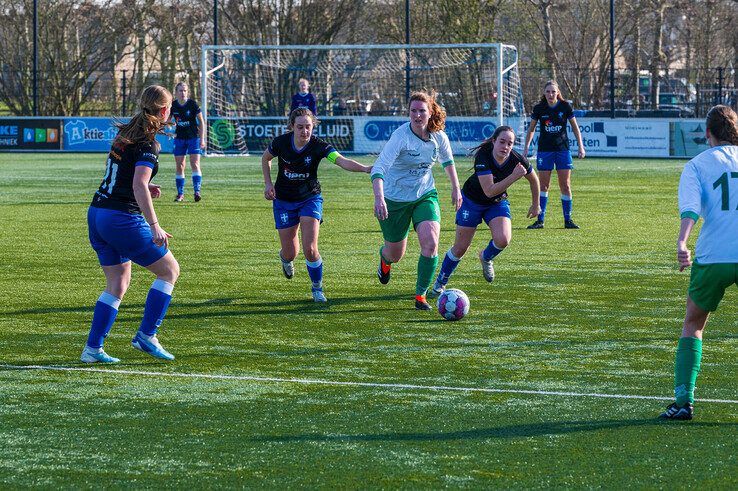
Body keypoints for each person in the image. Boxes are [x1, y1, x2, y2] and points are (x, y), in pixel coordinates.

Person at [82, 85, 180, 364]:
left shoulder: (126, 132)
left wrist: (146, 186)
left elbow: (126, 177)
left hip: (97, 213)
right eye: (169, 107)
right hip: (120, 218)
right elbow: (137, 182)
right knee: (170, 271)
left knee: (118, 283)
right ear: (163, 110)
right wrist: (154, 224)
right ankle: (147, 335)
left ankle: (92, 349)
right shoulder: (149, 142)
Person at [659, 105, 738, 420]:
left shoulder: (697, 164)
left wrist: (682, 242)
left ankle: (683, 402)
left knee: (693, 323)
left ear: (708, 133)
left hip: (714, 256)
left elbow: (690, 208)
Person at [262, 108, 371, 302]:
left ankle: (317, 288)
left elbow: (341, 161)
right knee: (290, 252)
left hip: (310, 198)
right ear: (292, 127)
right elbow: (266, 158)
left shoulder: (319, 147)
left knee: (310, 248)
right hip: (284, 201)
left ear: (313, 127)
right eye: (300, 127)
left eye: (308, 127)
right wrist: (268, 184)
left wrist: (365, 169)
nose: (304, 131)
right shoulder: (280, 143)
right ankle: (285, 259)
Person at [372, 90, 462, 310]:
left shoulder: (439, 136)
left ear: (430, 113)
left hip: (424, 194)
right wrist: (379, 198)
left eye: (422, 111)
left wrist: (456, 188)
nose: (417, 115)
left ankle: (420, 295)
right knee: (395, 254)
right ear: (408, 112)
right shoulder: (400, 136)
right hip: (394, 199)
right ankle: (385, 260)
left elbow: (448, 161)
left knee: (431, 244)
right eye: (413, 111)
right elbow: (379, 168)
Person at [429, 126, 540, 295]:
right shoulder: (483, 156)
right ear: (494, 141)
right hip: (471, 202)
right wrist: (514, 177)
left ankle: (486, 256)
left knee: (503, 239)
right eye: (502, 142)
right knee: (460, 248)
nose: (505, 146)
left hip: (496, 203)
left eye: (510, 143)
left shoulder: (517, 159)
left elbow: (534, 180)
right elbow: (489, 190)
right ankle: (440, 282)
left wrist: (536, 204)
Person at [523, 80, 585, 229]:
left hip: (563, 150)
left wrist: (581, 146)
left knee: (566, 186)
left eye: (553, 91)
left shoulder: (565, 107)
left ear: (558, 92)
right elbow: (531, 129)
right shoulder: (539, 108)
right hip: (545, 151)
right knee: (543, 185)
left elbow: (575, 128)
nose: (551, 94)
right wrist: (526, 148)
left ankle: (567, 220)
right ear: (544, 93)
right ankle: (540, 220)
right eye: (548, 92)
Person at [169, 82, 206, 202]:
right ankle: (180, 194)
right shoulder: (173, 105)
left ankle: (197, 192)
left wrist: (202, 139)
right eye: (180, 90)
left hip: (193, 138)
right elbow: (167, 121)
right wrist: (169, 127)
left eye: (185, 90)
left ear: (187, 92)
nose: (183, 93)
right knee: (180, 166)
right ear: (176, 92)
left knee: (194, 164)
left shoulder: (192, 104)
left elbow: (201, 122)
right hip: (179, 138)